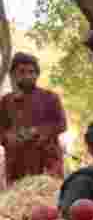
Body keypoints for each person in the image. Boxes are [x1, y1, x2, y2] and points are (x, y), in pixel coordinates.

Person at [0, 52, 67, 184]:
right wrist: (9, 136)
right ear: (13, 74)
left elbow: (62, 124)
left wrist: (36, 131)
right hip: (17, 168)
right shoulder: (5, 102)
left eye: (31, 72)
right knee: (19, 204)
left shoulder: (50, 97)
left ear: (37, 74)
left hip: (48, 165)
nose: (27, 76)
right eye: (22, 71)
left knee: (49, 203)